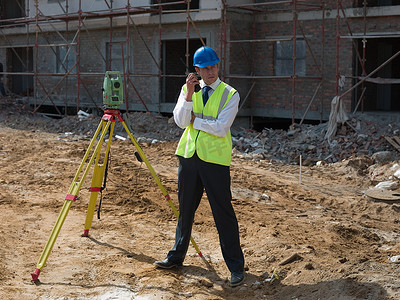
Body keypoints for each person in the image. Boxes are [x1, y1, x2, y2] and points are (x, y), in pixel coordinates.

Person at [154, 46, 245, 287]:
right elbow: (181, 121)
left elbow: (221, 127)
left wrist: (196, 119)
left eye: (214, 66)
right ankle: (176, 256)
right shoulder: (188, 90)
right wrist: (188, 97)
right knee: (185, 211)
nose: (211, 71)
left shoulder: (230, 94)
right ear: (197, 70)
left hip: (215, 161)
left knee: (223, 213)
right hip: (188, 157)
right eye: (206, 68)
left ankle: (236, 267)